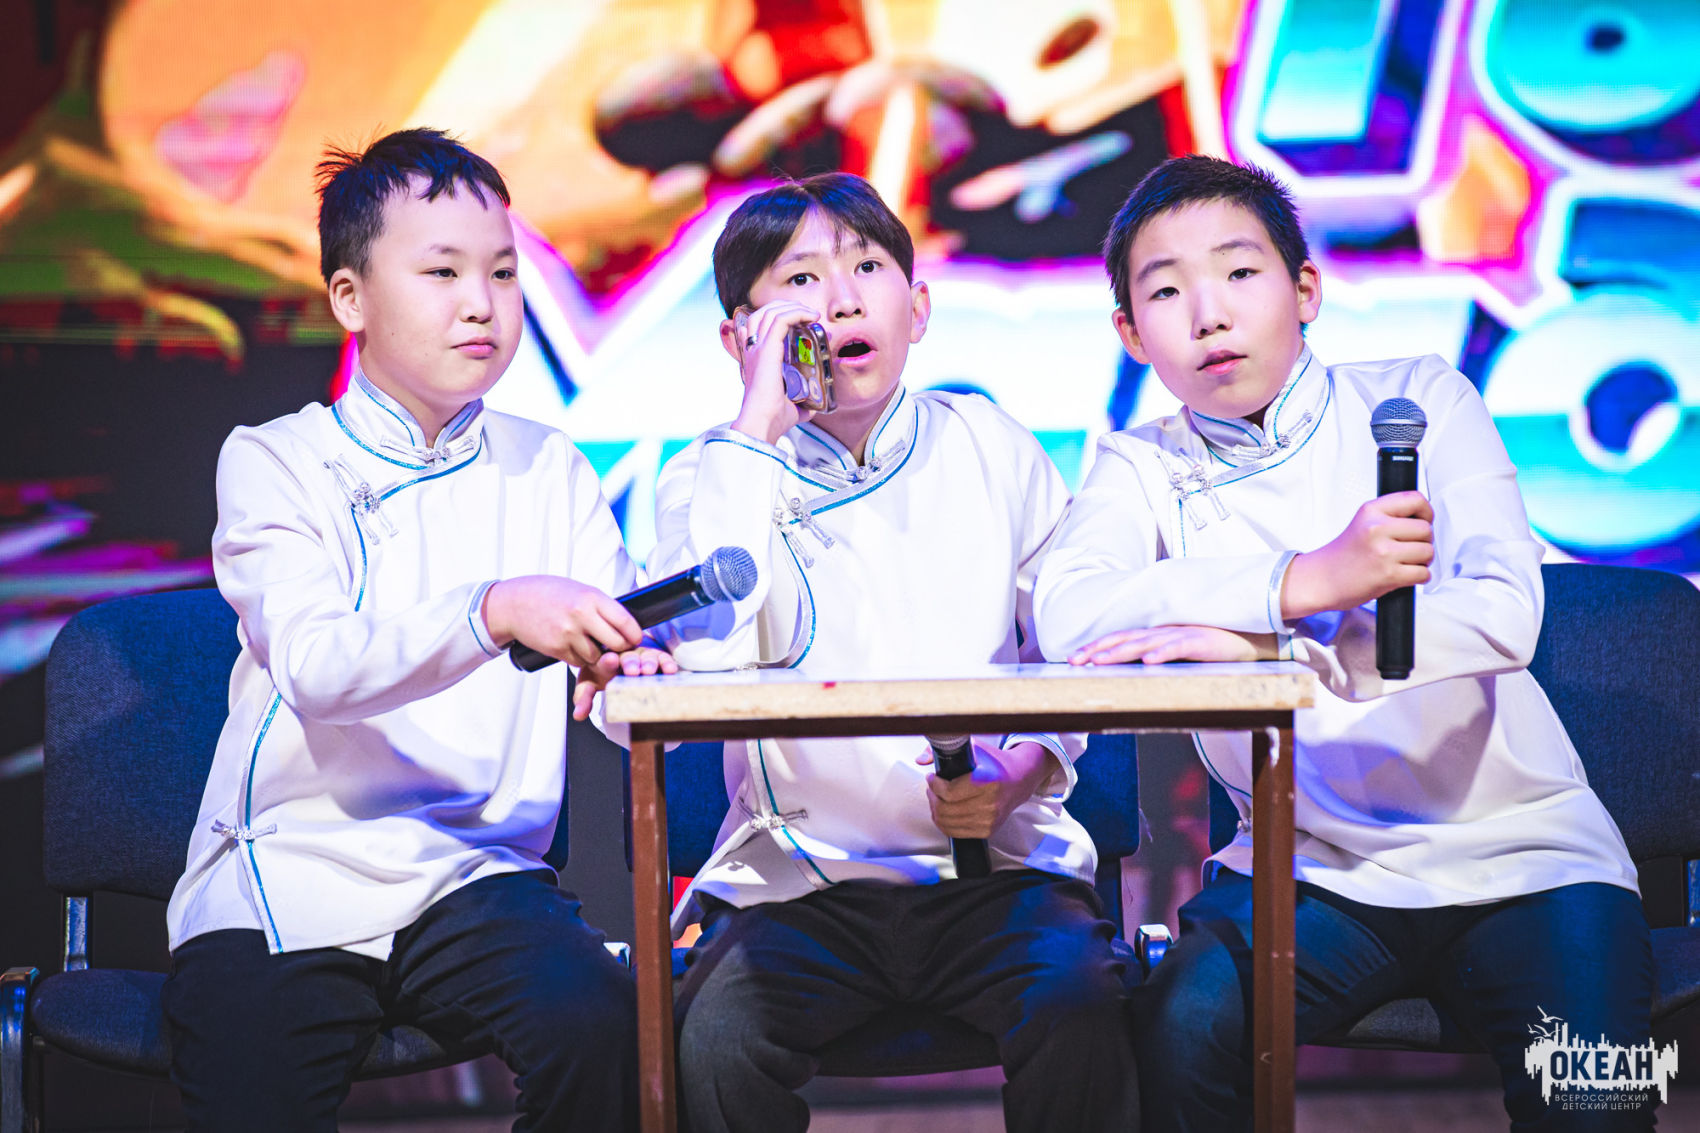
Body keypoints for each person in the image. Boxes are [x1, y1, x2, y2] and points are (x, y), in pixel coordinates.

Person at [1036, 154, 1654, 1131]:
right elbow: (1071, 615)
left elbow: (1504, 611)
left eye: (1240, 272)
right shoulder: (1139, 462)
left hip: (1527, 853)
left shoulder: (1420, 398)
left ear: (1306, 290)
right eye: (1166, 290)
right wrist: (1305, 580)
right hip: (1305, 867)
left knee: (1598, 1106)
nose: (1208, 313)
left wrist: (1273, 655)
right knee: (1175, 1033)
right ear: (1129, 332)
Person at [163, 127, 669, 1132]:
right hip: (292, 871)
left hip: (475, 875)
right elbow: (315, 665)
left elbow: (610, 685)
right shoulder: (276, 459)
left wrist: (638, 681)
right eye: (441, 272)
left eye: (502, 272)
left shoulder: (552, 468)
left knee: (606, 1025)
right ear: (350, 297)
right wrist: (493, 609)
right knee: (249, 1082)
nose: (481, 302)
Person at [650, 172, 1139, 1133]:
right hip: (796, 887)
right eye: (799, 281)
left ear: (916, 308)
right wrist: (757, 427)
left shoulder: (990, 443)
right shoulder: (712, 471)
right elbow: (705, 660)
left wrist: (1020, 770)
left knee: (1082, 1005)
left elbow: (1074, 648)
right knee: (713, 1041)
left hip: (996, 874)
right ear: (739, 339)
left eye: (867, 268)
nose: (840, 301)